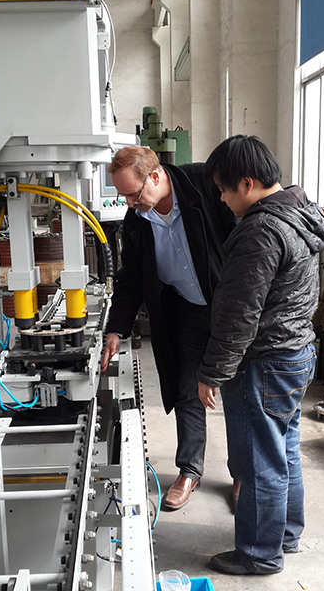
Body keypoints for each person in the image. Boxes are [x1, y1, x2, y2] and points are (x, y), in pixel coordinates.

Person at [196, 135, 324, 575]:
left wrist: (213, 372)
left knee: (259, 462)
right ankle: (285, 534)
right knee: (283, 450)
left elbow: (239, 314)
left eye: (224, 189)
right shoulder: (301, 213)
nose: (221, 198)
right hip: (297, 352)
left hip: (265, 361)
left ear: (247, 183)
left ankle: (258, 553)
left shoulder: (260, 231)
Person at [100, 145, 238, 510]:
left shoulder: (205, 185)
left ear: (156, 176)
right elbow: (130, 277)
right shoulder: (137, 219)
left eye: (133, 194)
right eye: (124, 197)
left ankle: (243, 474)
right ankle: (190, 469)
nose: (129, 203)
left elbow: (242, 236)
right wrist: (116, 329)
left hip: (230, 311)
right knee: (186, 391)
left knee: (237, 391)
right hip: (186, 310)